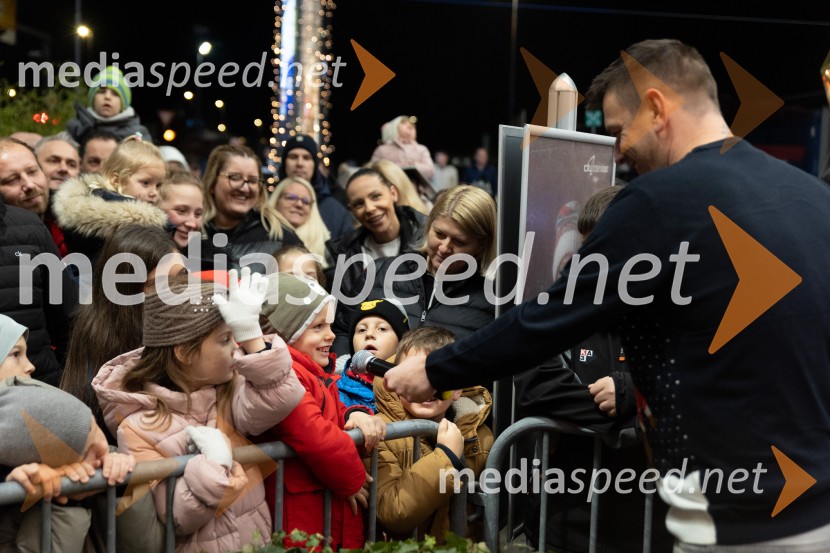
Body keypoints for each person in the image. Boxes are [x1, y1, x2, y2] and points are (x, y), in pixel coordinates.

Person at [385, 39, 830, 550]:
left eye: (620, 130)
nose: (618, 151)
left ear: (658, 107)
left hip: (733, 523)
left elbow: (547, 318)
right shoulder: (812, 196)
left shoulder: (657, 202)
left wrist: (435, 369)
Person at [92, 271, 305, 553]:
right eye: (225, 339)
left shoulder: (228, 390)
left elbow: (282, 396)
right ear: (184, 352)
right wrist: (214, 464)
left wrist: (252, 337)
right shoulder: (136, 426)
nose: (235, 349)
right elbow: (178, 515)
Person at [515, 184, 673, 553]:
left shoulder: (674, 313)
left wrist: (632, 393)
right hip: (565, 520)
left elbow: (700, 385)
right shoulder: (565, 307)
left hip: (648, 521)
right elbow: (534, 383)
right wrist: (625, 421)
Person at [256, 273, 386, 550]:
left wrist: (354, 415)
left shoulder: (313, 372)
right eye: (317, 327)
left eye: (329, 324)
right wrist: (353, 478)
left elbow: (334, 409)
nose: (331, 335)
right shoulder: (283, 375)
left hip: (323, 505)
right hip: (300, 515)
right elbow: (312, 432)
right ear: (285, 334)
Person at [0, 314, 136, 553]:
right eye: (15, 354)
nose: (31, 365)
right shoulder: (19, 471)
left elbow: (144, 544)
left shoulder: (58, 449)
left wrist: (110, 479)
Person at [332, 184, 495, 355]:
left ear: (480, 245)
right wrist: (344, 370)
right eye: (439, 234)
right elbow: (342, 329)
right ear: (428, 226)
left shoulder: (491, 300)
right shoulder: (380, 272)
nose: (444, 247)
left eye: (459, 242)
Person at [61, 224, 184, 443]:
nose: (180, 292)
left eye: (182, 277)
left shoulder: (187, 329)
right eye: (160, 284)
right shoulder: (100, 345)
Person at [372, 326, 492, 542]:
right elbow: (393, 513)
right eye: (416, 375)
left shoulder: (480, 436)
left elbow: (487, 516)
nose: (428, 387)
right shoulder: (379, 432)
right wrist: (446, 456)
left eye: (438, 376)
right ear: (396, 378)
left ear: (457, 389)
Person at [0, 139, 78, 386]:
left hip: (41, 386)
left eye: (33, 171)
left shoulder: (32, 228)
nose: (29, 185)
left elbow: (69, 322)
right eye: (11, 180)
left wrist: (67, 385)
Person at [53, 137, 169, 266]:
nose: (154, 192)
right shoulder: (130, 225)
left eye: (158, 185)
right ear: (116, 180)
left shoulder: (89, 203)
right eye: (146, 183)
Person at [325, 167, 427, 301]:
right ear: (352, 211)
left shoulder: (428, 240)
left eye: (376, 196)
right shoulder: (344, 253)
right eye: (359, 204)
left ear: (393, 193)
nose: (369, 208)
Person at [202, 144, 303, 273]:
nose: (245, 188)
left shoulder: (278, 235)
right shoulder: (192, 233)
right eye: (235, 177)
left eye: (252, 180)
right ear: (212, 182)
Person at [336, 297, 410, 412]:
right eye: (361, 330)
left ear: (401, 341)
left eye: (381, 329)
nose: (369, 334)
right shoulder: (335, 390)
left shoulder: (415, 384)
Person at [277, 134, 354, 238]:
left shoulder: (335, 211)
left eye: (306, 158)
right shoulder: (269, 204)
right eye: (293, 157)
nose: (299, 163)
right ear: (284, 163)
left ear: (315, 165)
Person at [66, 66, 152, 144]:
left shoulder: (139, 136)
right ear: (92, 99)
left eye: (115, 94)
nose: (107, 97)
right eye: (102, 92)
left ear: (123, 104)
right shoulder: (75, 131)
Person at [269, 176, 331, 269]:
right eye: (291, 198)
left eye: (306, 202)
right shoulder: (261, 235)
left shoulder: (326, 245)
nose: (299, 204)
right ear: (277, 200)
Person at [371, 116, 435, 180]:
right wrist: (405, 165)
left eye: (413, 125)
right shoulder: (382, 150)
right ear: (394, 127)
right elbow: (373, 171)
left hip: (415, 189)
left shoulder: (421, 149)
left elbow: (430, 171)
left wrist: (412, 164)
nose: (410, 125)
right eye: (403, 122)